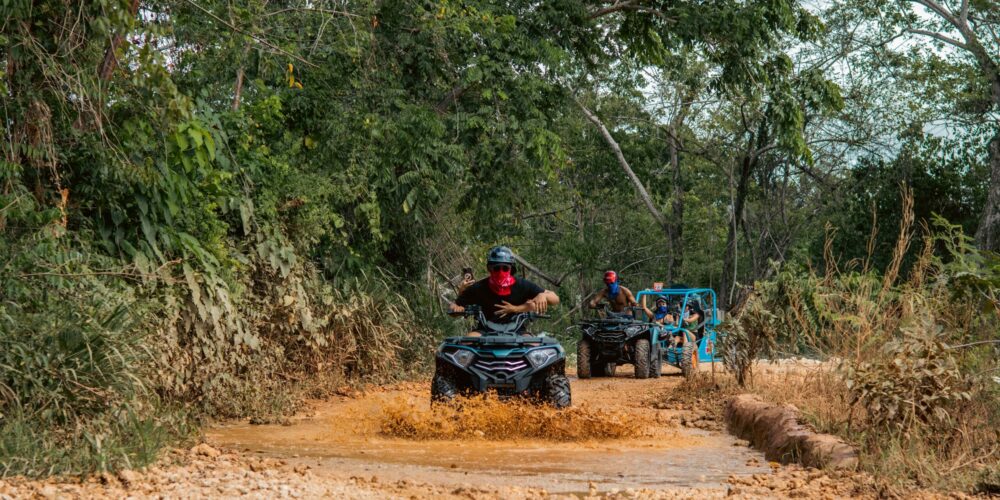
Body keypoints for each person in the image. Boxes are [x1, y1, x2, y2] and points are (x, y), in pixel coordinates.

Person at [449, 246, 560, 335]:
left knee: (533, 347)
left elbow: (555, 299)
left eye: (505, 268)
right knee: (468, 343)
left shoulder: (522, 285)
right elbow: (454, 307)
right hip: (485, 330)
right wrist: (456, 308)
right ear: (489, 268)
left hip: (518, 331)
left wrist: (542, 295)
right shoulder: (479, 287)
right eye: (497, 268)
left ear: (511, 269)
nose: (501, 272)